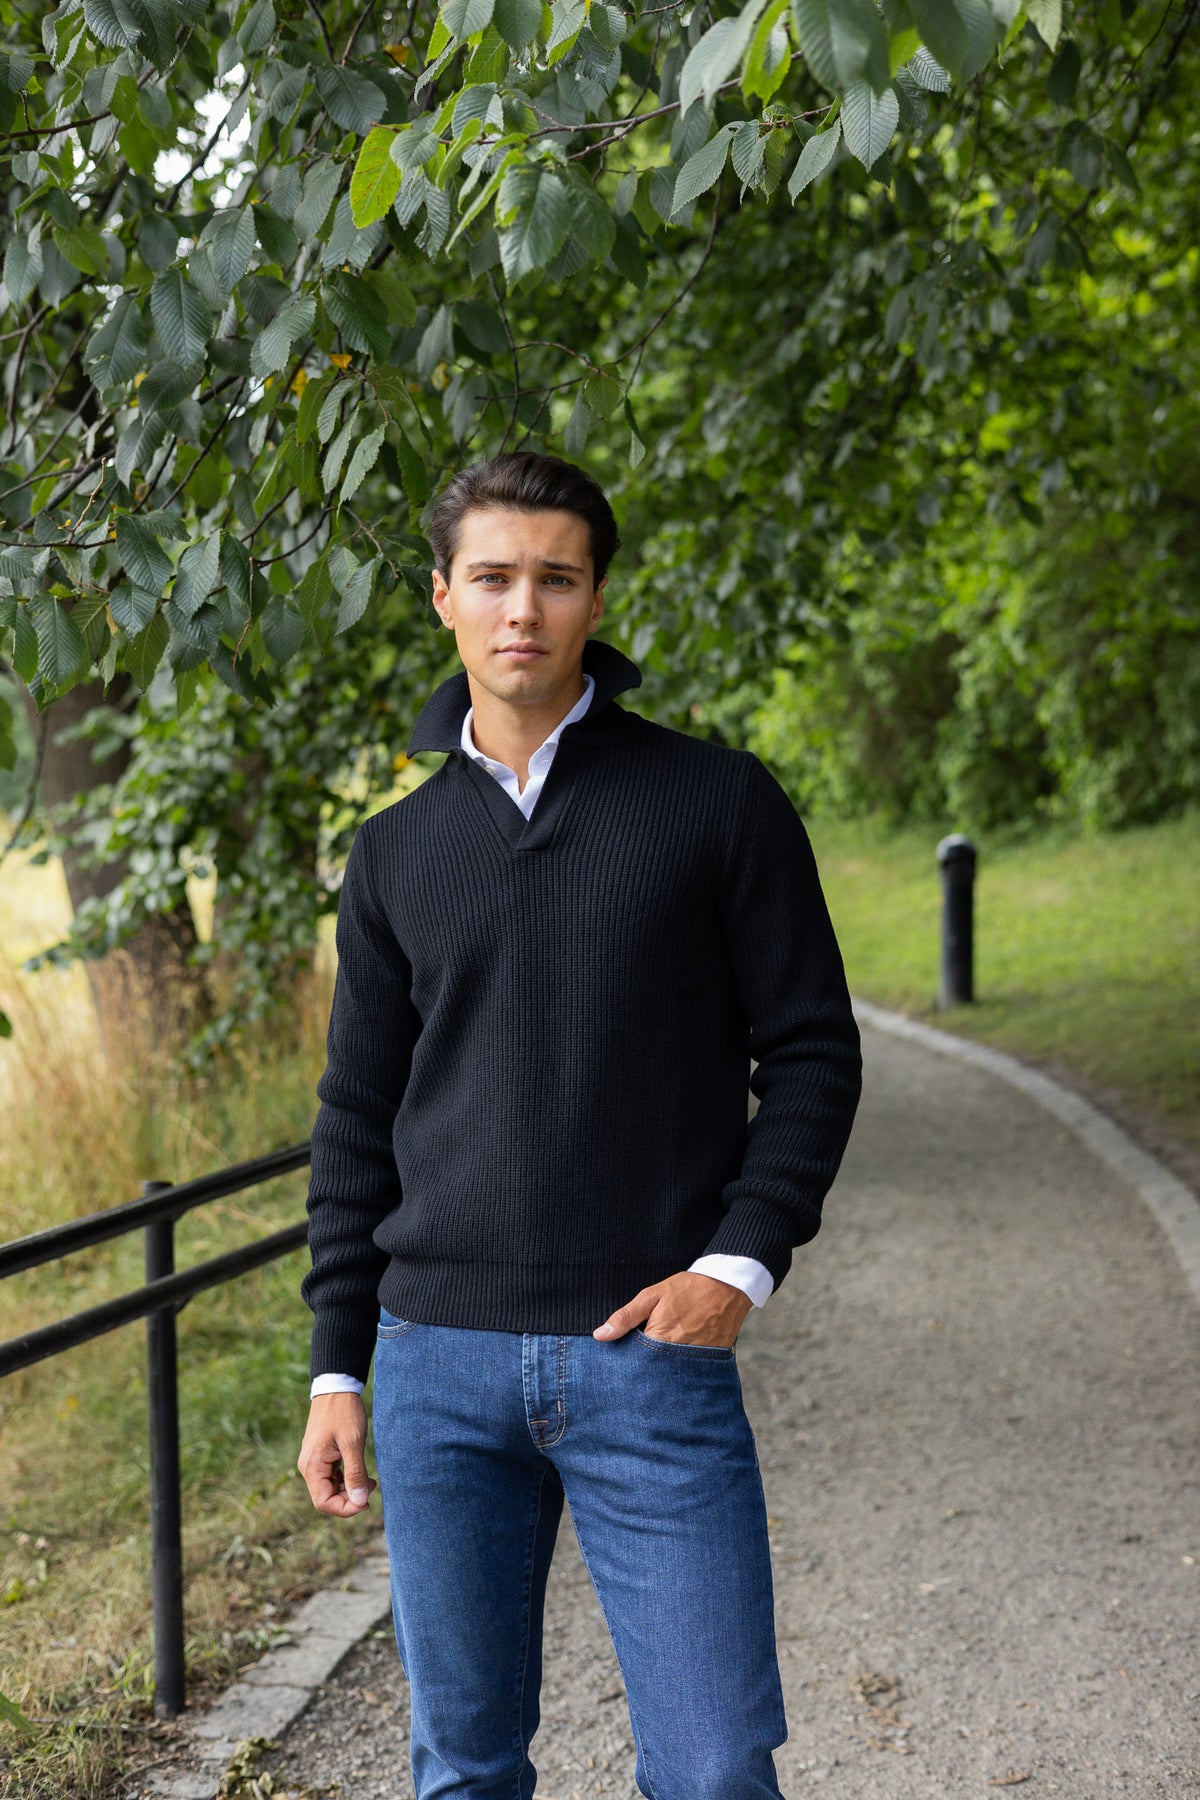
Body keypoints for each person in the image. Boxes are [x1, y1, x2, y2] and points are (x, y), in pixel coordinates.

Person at [297, 452, 862, 1800]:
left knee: (716, 1769)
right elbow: (357, 1120)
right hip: (436, 1369)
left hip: (647, 1359)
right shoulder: (394, 854)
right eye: (492, 577)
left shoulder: (717, 801)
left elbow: (811, 1052)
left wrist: (739, 1265)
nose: (523, 610)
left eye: (555, 578)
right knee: (465, 1770)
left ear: (596, 599)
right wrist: (335, 1371)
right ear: (443, 596)